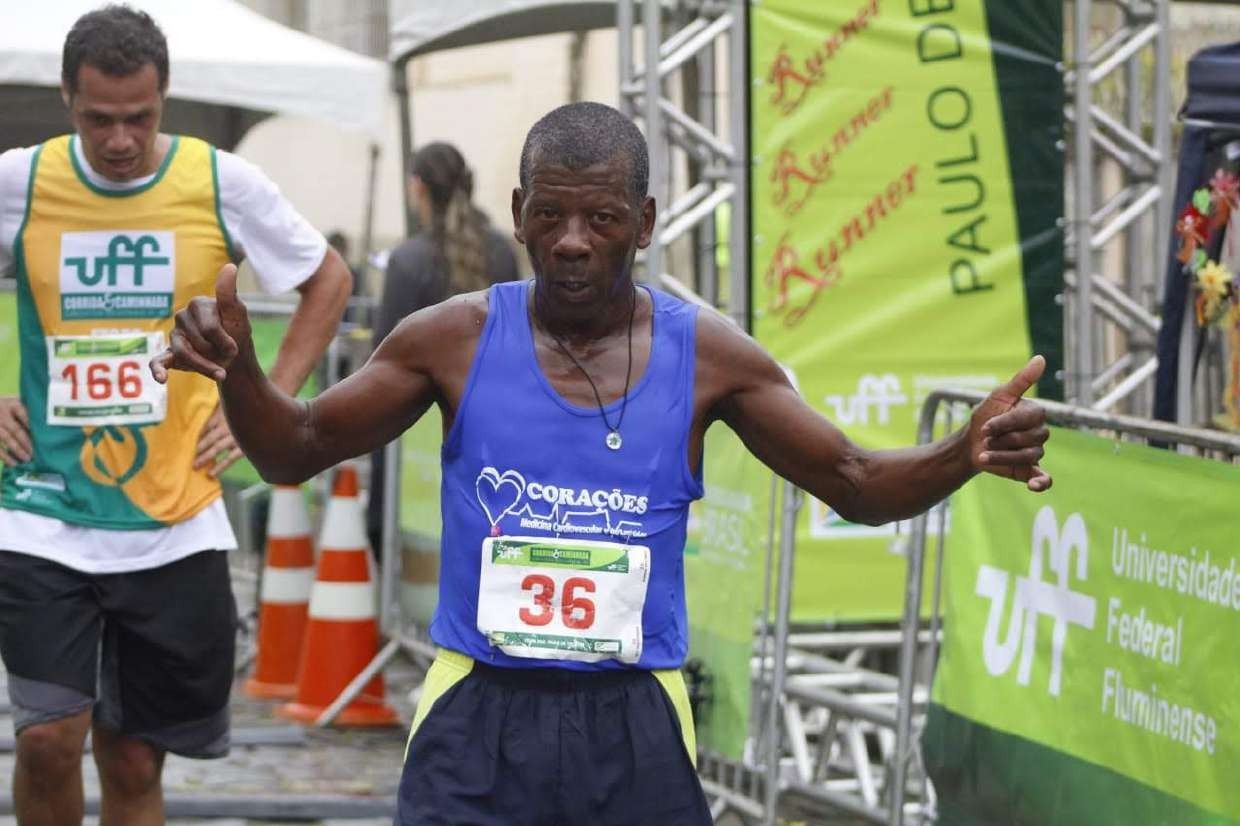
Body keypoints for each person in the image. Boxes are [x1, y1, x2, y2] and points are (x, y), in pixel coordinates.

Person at [154, 101, 1050, 826]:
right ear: (518, 217)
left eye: (602, 218)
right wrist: (239, 374)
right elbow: (294, 448)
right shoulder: (453, 340)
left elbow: (854, 482)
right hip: (479, 710)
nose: (574, 239)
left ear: (646, 224)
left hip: (633, 719)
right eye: (550, 215)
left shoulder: (712, 359)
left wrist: (959, 452)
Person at [0, 6, 351, 825]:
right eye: (99, 121)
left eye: (139, 119)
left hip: (177, 516)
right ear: (65, 100)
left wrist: (268, 403)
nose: (120, 140)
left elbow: (326, 280)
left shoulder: (224, 182)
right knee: (50, 738)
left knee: (131, 756)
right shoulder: (23, 180)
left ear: (164, 99)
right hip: (45, 512)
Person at [368, 141, 519, 550]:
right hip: (493, 442)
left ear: (417, 187)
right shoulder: (502, 252)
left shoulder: (408, 261)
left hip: (417, 446)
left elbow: (380, 365)